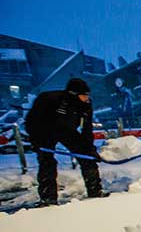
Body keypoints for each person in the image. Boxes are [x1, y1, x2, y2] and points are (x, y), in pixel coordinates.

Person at [24, 78, 106, 206]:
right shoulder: (48, 99)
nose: (86, 98)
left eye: (87, 95)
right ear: (73, 94)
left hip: (67, 130)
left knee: (88, 158)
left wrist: (90, 150)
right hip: (45, 132)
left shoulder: (86, 105)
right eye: (83, 95)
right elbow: (31, 121)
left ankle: (95, 191)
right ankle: (48, 199)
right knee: (47, 163)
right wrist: (36, 141)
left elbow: (87, 129)